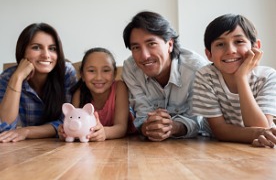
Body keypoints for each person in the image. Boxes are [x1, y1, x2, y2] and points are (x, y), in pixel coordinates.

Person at [191, 14, 276, 147]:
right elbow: (220, 131)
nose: (230, 50)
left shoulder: (268, 76)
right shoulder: (206, 76)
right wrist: (256, 133)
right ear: (209, 54)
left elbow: (261, 128)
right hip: (219, 147)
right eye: (220, 44)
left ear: (256, 47)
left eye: (239, 42)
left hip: (263, 145)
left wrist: (241, 78)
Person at [122, 11, 208, 141]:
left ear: (170, 44)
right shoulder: (131, 69)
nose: (144, 56)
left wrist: (173, 127)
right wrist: (147, 127)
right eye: (136, 47)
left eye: (151, 44)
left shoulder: (196, 69)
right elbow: (141, 113)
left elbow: (198, 120)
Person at [0, 23, 77, 142]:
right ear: (22, 51)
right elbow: (6, 126)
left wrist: (27, 131)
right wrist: (18, 78)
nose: (46, 55)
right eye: (36, 47)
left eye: (52, 48)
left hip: (58, 146)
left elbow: (67, 121)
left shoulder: (66, 72)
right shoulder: (8, 77)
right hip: (21, 150)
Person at [58, 47, 137, 142]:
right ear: (82, 75)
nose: (99, 77)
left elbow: (121, 128)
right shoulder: (79, 92)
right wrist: (66, 131)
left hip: (126, 141)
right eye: (91, 71)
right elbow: (72, 121)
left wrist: (104, 132)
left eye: (106, 70)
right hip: (90, 144)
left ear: (114, 73)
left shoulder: (119, 88)